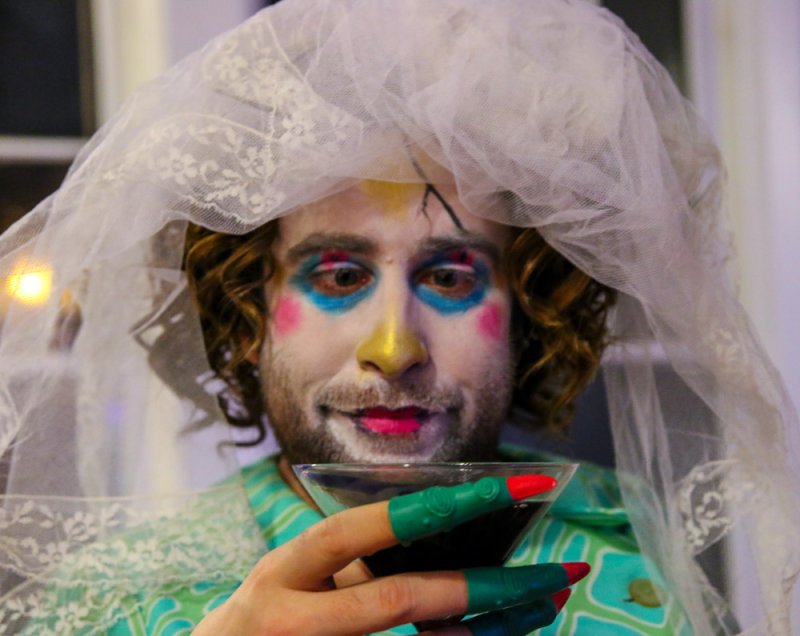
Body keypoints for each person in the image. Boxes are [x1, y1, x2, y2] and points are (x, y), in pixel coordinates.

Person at [0, 1, 797, 634]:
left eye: (450, 275)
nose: (394, 347)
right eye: (339, 274)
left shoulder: (643, 569)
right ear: (250, 315)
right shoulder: (121, 603)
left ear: (528, 316)